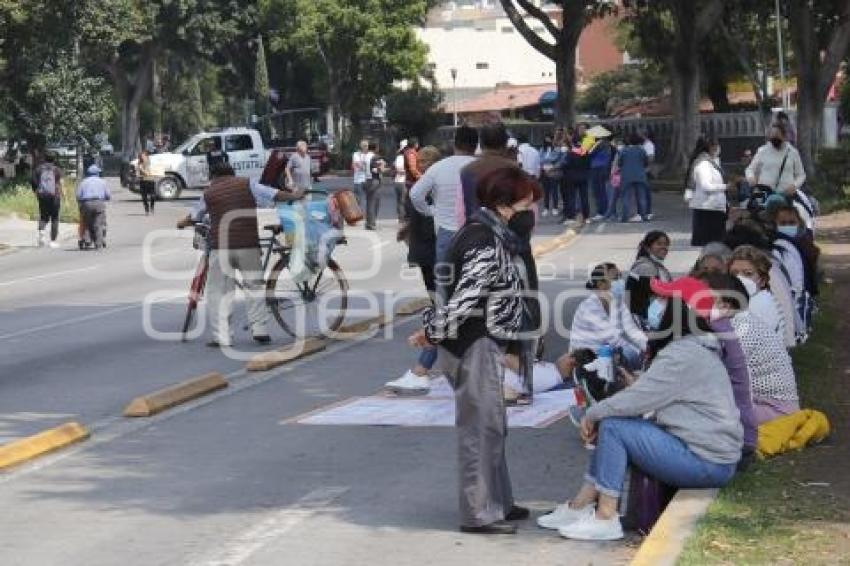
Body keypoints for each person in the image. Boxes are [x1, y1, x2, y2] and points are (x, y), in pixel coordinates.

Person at [539, 277, 742, 541]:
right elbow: (649, 395)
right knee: (613, 422)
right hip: (706, 454)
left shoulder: (684, 354)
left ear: (678, 310)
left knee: (613, 426)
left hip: (705, 461)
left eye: (663, 300)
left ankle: (605, 516)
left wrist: (593, 413)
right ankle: (581, 504)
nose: (654, 305)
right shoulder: (694, 347)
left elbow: (636, 401)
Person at [410, 165, 542, 535]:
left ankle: (499, 501)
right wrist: (433, 333)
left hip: (484, 340)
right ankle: (479, 513)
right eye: (526, 205)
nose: (531, 215)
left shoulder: (492, 234)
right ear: (503, 205)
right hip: (474, 343)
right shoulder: (483, 239)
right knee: (480, 430)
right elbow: (467, 297)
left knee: (493, 425)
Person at [176, 151, 304, 347]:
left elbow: (194, 216)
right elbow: (273, 194)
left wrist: (182, 223)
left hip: (222, 249)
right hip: (248, 245)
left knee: (219, 292)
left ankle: (223, 337)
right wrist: (294, 195)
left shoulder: (209, 192)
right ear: (232, 172)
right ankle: (259, 330)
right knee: (255, 287)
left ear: (213, 176)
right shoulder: (247, 183)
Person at [384, 145, 444, 395]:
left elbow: (428, 223)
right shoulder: (429, 188)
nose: (419, 165)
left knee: (442, 310)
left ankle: (422, 369)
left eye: (423, 162)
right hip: (428, 254)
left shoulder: (427, 189)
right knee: (441, 307)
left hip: (432, 254)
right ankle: (425, 368)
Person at [704, 273, 799, 426]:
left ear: (725, 306)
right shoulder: (739, 322)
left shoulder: (740, 331)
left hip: (775, 411)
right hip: (770, 406)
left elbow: (720, 379)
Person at [556, 263, 647, 379]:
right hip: (587, 363)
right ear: (600, 284)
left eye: (620, 277)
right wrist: (641, 353)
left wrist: (648, 347)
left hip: (610, 358)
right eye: (615, 278)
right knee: (632, 355)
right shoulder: (589, 307)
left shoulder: (617, 303)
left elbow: (633, 330)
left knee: (639, 356)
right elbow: (613, 339)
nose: (620, 282)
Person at [409, 126, 478, 278]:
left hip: (446, 231)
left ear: (455, 144)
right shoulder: (482, 167)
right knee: (475, 281)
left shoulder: (439, 167)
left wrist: (431, 211)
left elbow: (415, 194)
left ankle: (445, 302)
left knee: (445, 281)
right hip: (476, 233)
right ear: (476, 145)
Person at [745, 123, 812, 232]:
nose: (774, 137)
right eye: (772, 135)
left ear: (784, 136)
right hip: (765, 196)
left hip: (786, 196)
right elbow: (750, 169)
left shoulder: (792, 152)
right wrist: (751, 178)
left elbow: (801, 174)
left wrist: (794, 186)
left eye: (777, 134)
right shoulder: (762, 151)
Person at [459, 123, 519, 222]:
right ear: (505, 144)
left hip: (477, 230)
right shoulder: (514, 169)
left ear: (481, 144)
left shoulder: (466, 170)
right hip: (507, 231)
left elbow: (466, 207)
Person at [728, 245, 785, 341]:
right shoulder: (747, 300)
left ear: (762, 280)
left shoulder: (759, 305)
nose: (739, 278)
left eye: (748, 274)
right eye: (734, 273)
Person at [688, 137, 729, 246]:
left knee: (716, 246)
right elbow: (706, 186)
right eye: (717, 146)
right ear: (711, 147)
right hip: (707, 210)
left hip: (714, 208)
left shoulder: (712, 162)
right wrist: (726, 187)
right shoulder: (703, 164)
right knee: (711, 245)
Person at [561, 123, 594, 225]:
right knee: (584, 197)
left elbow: (565, 164)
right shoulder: (586, 152)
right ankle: (587, 217)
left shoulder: (571, 153)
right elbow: (589, 164)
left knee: (572, 197)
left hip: (571, 176)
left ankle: (571, 217)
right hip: (583, 176)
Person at [31, 154, 63, 248]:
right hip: (55, 197)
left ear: (44, 159)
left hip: (42, 196)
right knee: (55, 218)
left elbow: (33, 181)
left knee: (43, 216)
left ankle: (41, 233)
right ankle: (53, 241)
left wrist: (36, 191)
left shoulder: (38, 169)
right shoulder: (57, 169)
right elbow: (60, 183)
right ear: (54, 159)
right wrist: (64, 195)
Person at [76, 164, 111, 250]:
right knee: (98, 224)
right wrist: (105, 198)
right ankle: (98, 243)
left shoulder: (83, 182)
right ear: (97, 173)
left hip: (86, 203)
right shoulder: (102, 182)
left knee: (87, 222)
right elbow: (108, 195)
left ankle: (87, 241)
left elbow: (78, 196)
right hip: (99, 203)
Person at [616, 133, 649, 223]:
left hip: (626, 175)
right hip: (640, 175)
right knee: (641, 196)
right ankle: (644, 216)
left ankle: (625, 217)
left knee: (626, 197)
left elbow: (619, 162)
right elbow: (646, 162)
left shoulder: (624, 150)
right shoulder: (642, 150)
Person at [588, 131, 613, 222]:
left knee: (598, 191)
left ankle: (601, 212)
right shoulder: (608, 144)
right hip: (604, 168)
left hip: (597, 169)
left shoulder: (598, 144)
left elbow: (589, 153)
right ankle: (605, 212)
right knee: (602, 191)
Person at [539, 133, 564, 217]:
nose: (548, 141)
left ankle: (555, 208)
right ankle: (546, 208)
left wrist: (547, 160)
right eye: (546, 139)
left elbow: (555, 158)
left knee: (554, 191)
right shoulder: (542, 149)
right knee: (546, 191)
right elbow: (540, 159)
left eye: (549, 139)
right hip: (544, 171)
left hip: (553, 171)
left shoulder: (557, 149)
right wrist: (547, 160)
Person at [363, 142, 385, 231]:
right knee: (374, 202)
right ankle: (372, 223)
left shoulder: (365, 156)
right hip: (374, 180)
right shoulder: (375, 157)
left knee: (369, 202)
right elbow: (377, 169)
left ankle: (368, 223)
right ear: (376, 148)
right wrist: (383, 167)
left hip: (366, 180)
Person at [351, 140, 372, 208]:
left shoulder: (370, 155)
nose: (366, 147)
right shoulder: (356, 154)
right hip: (358, 180)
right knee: (358, 199)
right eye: (364, 145)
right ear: (361, 146)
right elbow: (356, 165)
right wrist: (364, 166)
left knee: (369, 198)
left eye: (366, 146)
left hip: (367, 179)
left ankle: (368, 212)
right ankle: (357, 213)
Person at [137, 149, 156, 216]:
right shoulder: (139, 164)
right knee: (144, 197)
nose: (143, 157)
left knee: (153, 196)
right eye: (142, 156)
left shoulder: (151, 163)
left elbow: (156, 170)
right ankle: (146, 210)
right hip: (143, 181)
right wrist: (143, 171)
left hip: (151, 180)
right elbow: (139, 171)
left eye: (144, 156)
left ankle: (152, 207)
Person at [393, 140, 408, 222]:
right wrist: (408, 171)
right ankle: (402, 218)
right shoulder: (402, 158)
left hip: (397, 182)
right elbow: (399, 170)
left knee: (399, 201)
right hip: (402, 182)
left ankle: (400, 217)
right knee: (403, 201)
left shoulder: (398, 157)